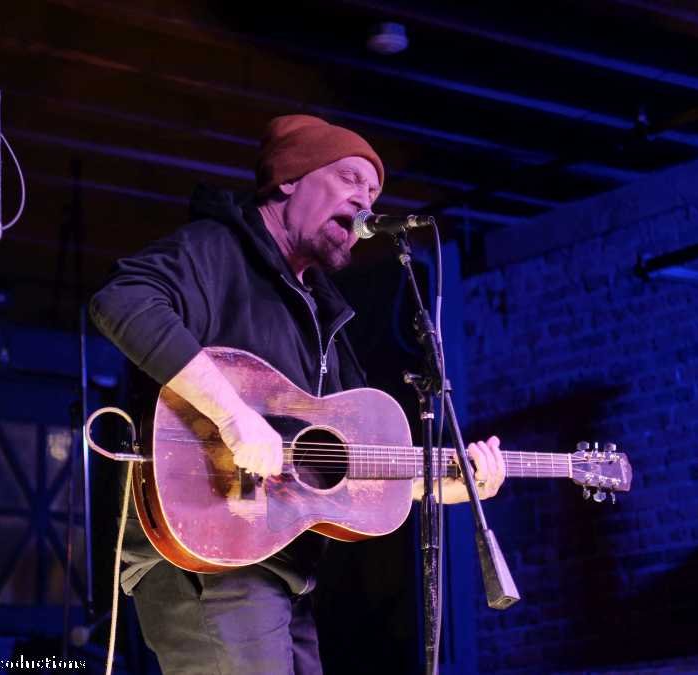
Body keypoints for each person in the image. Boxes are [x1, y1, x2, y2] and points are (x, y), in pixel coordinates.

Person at [89, 114, 506, 675]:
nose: (365, 201)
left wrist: (437, 485)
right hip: (207, 555)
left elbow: (342, 459)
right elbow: (121, 300)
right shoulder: (218, 249)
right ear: (288, 179)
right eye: (350, 178)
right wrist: (233, 416)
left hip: (280, 570)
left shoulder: (323, 312)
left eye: (374, 192)